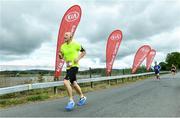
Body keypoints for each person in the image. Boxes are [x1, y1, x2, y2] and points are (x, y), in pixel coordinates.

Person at [59, 32, 87, 111]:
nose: (64, 36)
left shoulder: (76, 44)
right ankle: (82, 97)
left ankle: (71, 101)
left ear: (71, 37)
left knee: (65, 81)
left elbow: (84, 51)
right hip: (68, 68)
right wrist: (60, 55)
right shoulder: (63, 46)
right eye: (64, 35)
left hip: (74, 66)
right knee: (74, 83)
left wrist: (78, 58)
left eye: (66, 35)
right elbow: (61, 54)